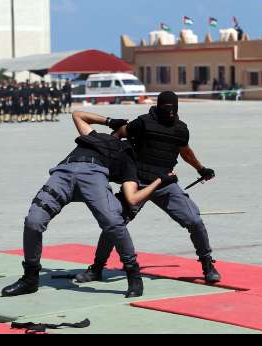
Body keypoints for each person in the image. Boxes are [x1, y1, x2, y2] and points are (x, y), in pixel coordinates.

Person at [1, 110, 178, 299]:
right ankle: (30, 278)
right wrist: (110, 120)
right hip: (63, 172)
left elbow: (133, 198)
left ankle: (133, 275)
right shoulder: (94, 136)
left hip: (94, 175)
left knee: (113, 222)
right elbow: (77, 114)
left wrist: (159, 181)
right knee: (33, 221)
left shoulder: (128, 157)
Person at [76, 91, 222, 284]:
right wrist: (113, 156)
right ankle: (96, 268)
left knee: (194, 220)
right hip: (136, 181)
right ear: (159, 106)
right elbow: (119, 134)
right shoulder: (143, 122)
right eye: (166, 108)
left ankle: (207, 264)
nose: (169, 112)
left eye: (172, 108)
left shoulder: (180, 129)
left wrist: (201, 169)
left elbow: (185, 152)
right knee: (115, 223)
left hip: (165, 183)